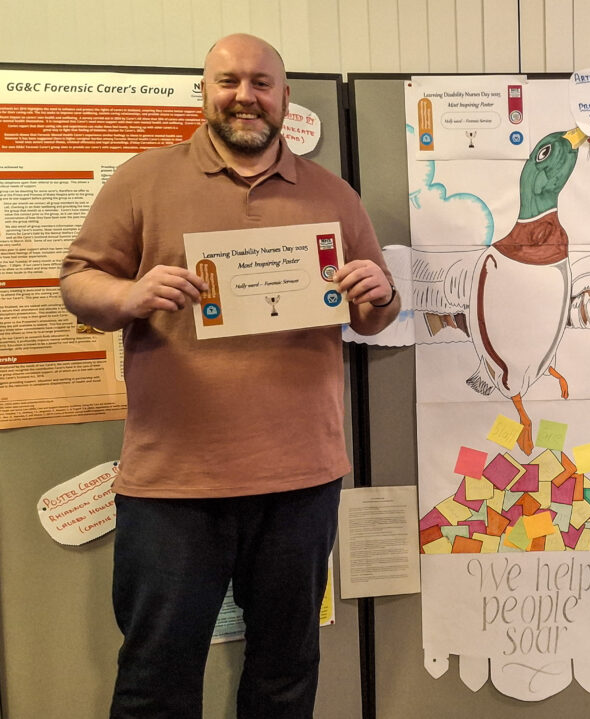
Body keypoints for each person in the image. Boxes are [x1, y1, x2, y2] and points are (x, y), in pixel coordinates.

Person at [60, 33, 400, 718]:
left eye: (261, 83)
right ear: (206, 91)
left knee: (285, 673)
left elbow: (372, 319)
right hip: (172, 483)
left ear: (283, 97)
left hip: (301, 480)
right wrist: (127, 296)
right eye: (228, 81)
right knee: (156, 677)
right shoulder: (143, 180)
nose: (245, 95)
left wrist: (380, 295)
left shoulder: (331, 194)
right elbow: (78, 282)